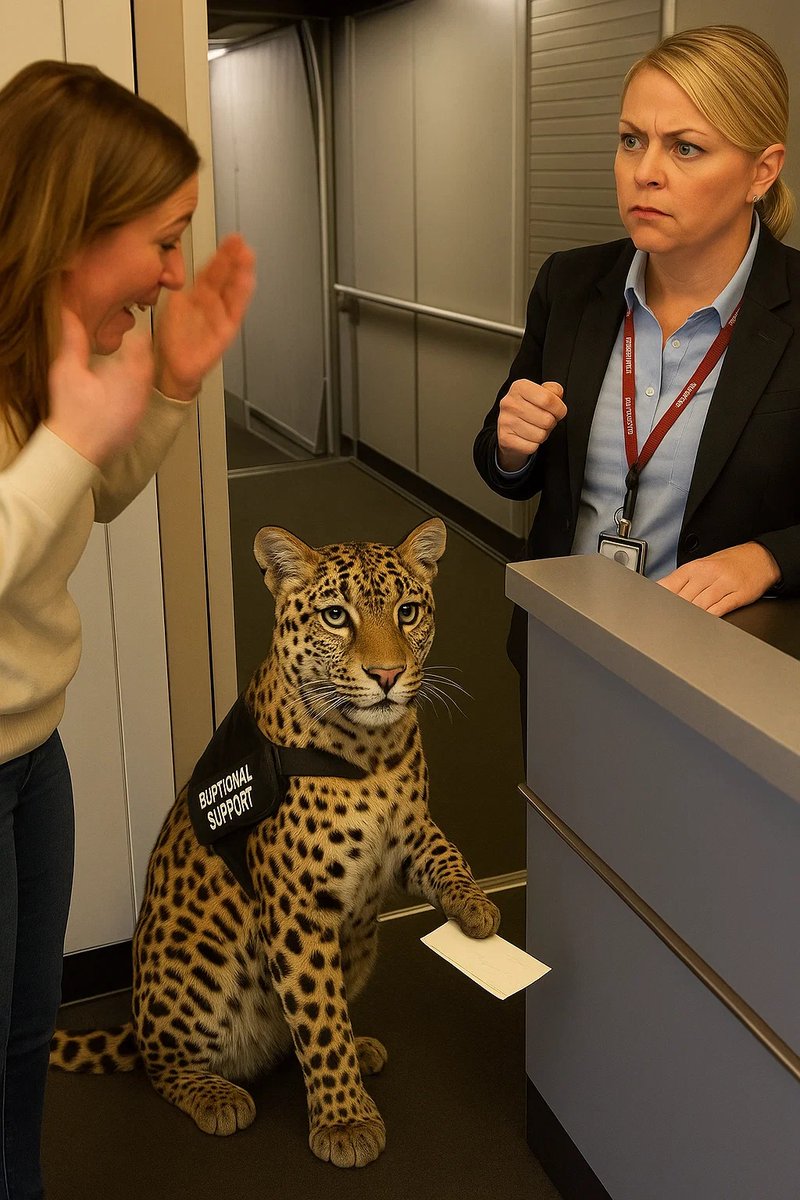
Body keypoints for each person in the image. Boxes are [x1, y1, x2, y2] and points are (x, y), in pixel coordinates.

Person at [0, 60, 255, 1199]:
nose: (167, 275)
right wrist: (66, 443)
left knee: (23, 1035)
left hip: (28, 752)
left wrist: (167, 390)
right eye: (160, 239)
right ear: (71, 226)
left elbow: (86, 499)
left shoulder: (38, 348)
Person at [473, 24, 799, 678]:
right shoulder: (569, 285)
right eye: (631, 141)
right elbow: (502, 458)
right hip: (566, 645)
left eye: (685, 148)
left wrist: (768, 558)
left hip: (724, 672)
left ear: (761, 172)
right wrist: (510, 446)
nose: (645, 173)